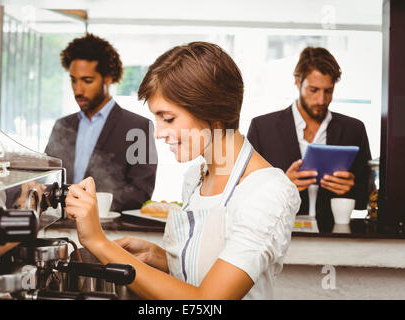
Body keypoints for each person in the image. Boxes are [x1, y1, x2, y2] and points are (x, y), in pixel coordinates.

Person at [65, 42, 301, 299]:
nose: (159, 133)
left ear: (211, 111)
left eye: (168, 119)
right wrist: (163, 258)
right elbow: (208, 267)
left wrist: (97, 241)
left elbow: (207, 302)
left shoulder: (267, 192)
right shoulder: (196, 176)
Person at [247, 46, 372, 231]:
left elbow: (368, 199)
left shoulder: (354, 130)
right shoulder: (262, 128)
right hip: (275, 235)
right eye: (313, 90)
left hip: (334, 238)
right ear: (297, 82)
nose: (321, 100)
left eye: (328, 91)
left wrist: (350, 189)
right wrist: (282, 186)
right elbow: (245, 194)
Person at [45, 34, 157, 212]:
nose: (78, 90)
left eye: (87, 81)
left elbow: (140, 193)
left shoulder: (137, 127)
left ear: (108, 78)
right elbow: (48, 179)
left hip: (110, 231)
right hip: (61, 225)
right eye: (73, 80)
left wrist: (89, 206)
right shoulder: (62, 126)